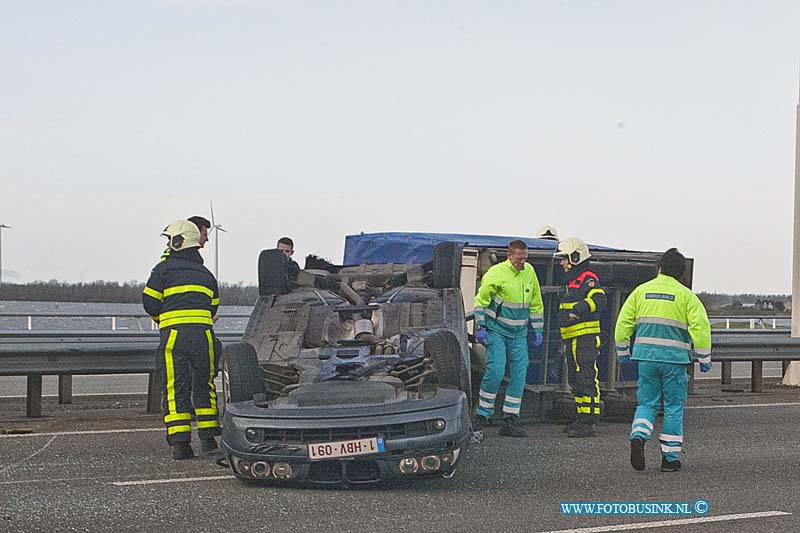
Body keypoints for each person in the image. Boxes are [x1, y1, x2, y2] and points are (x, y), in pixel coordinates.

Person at [615, 248, 711, 472]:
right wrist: (704, 358)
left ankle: (639, 435)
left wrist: (622, 354)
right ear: (682, 274)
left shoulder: (641, 291)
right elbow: (701, 329)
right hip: (674, 360)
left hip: (645, 358)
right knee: (673, 407)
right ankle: (669, 459)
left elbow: (622, 325)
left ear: (660, 268)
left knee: (646, 403)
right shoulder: (687, 296)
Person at [143, 220, 221, 460]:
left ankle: (181, 445)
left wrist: (164, 318)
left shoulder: (162, 270)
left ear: (179, 241)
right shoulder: (207, 274)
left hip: (175, 335)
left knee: (176, 387)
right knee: (204, 384)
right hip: (204, 336)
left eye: (170, 239)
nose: (167, 243)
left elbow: (150, 302)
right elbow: (213, 308)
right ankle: (209, 439)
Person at [472, 240, 544, 441]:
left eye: (525, 258)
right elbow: (481, 301)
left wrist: (538, 329)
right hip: (497, 331)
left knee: (520, 375)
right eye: (519, 258)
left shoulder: (529, 272)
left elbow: (536, 303)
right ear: (509, 255)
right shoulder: (496, 273)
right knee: (495, 372)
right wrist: (481, 326)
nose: (523, 262)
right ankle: (483, 415)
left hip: (518, 333)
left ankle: (510, 419)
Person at [554, 237, 606, 438]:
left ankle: (589, 421)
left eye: (565, 259)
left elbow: (598, 299)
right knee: (575, 379)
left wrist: (578, 310)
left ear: (576, 257)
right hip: (572, 337)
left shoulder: (588, 277)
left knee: (586, 377)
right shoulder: (571, 281)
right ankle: (580, 416)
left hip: (585, 338)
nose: (562, 263)